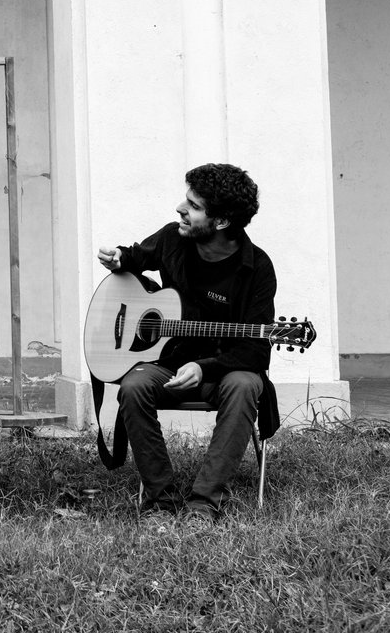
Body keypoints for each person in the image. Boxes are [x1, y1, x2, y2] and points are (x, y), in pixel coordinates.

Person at [97, 162, 279, 523]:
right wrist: (119, 258)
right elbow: (137, 256)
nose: (181, 209)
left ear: (221, 221)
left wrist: (204, 367)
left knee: (245, 385)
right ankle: (160, 501)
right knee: (133, 387)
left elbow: (256, 351)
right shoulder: (173, 238)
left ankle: (203, 504)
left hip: (225, 371)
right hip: (169, 363)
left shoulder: (256, 268)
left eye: (194, 206)